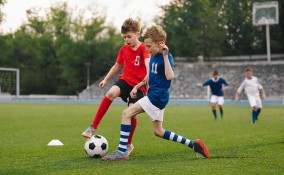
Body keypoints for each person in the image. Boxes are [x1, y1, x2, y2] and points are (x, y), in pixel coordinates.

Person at [101, 25, 210, 161]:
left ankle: (122, 151)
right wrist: (137, 86)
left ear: (159, 44)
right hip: (156, 96)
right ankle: (193, 144)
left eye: (149, 46)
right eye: (145, 46)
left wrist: (165, 55)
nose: (146, 49)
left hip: (157, 97)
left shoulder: (165, 57)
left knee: (126, 113)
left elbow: (170, 76)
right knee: (159, 132)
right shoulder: (152, 55)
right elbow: (150, 77)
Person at [81, 18, 150, 155]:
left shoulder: (143, 48)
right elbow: (117, 65)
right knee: (110, 93)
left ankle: (128, 144)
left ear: (138, 33)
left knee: (131, 114)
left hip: (139, 86)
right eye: (124, 37)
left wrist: (148, 77)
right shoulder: (124, 50)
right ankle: (92, 127)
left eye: (129, 36)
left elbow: (148, 62)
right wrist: (106, 79)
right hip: (125, 81)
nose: (126, 40)